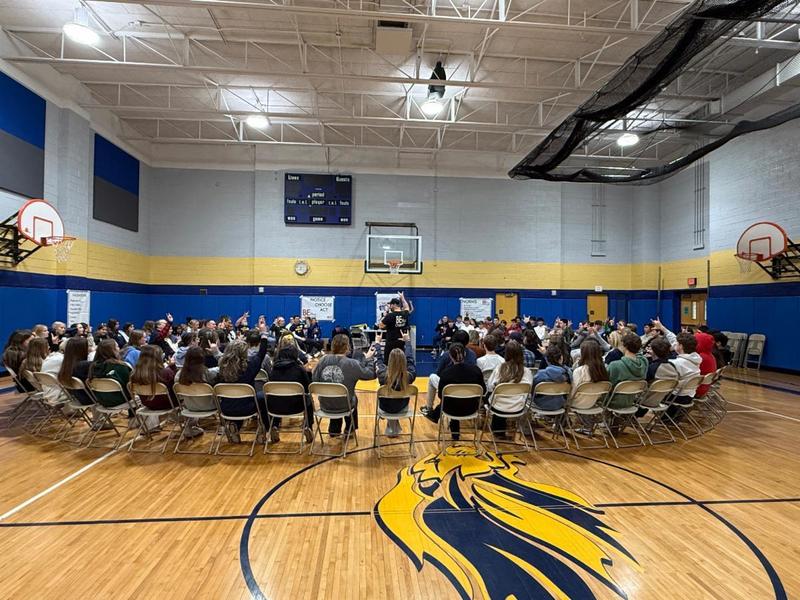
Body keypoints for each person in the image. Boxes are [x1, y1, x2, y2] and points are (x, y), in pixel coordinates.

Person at [216, 321, 271, 442]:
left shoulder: (221, 367)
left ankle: (235, 426)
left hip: (226, 408)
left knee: (236, 399)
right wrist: (264, 334)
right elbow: (262, 353)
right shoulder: (251, 366)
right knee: (262, 397)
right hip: (247, 407)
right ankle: (264, 429)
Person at [312, 333, 376, 436]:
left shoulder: (323, 360)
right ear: (347, 347)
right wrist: (368, 359)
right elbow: (370, 374)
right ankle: (350, 429)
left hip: (325, 405)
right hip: (345, 406)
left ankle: (334, 429)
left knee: (333, 392)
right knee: (352, 397)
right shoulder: (352, 363)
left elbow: (314, 380)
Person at [424, 343, 485, 441]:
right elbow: (483, 390)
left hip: (451, 409)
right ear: (465, 354)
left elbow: (441, 396)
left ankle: (434, 414)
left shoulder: (446, 373)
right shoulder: (476, 370)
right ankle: (443, 421)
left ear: (450, 356)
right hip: (472, 408)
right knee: (457, 400)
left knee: (452, 400)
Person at [265, 343, 314, 443]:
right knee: (308, 399)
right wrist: (309, 374)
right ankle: (308, 427)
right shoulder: (299, 369)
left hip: (275, 408)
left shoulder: (273, 369)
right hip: (296, 406)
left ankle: (274, 426)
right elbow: (307, 389)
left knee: (277, 398)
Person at [486, 340, 533, 438]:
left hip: (498, 407)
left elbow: (490, 386)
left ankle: (498, 431)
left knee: (492, 397)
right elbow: (529, 390)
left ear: (506, 353)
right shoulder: (527, 372)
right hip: (518, 407)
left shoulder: (500, 368)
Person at [424, 329, 477, 413]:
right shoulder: (473, 354)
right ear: (467, 342)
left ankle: (429, 407)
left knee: (432, 377)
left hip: (451, 391)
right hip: (469, 392)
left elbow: (439, 373)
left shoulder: (447, 355)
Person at [375, 331, 416, 437]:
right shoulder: (409, 376)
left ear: (389, 361)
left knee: (388, 395)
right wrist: (407, 341)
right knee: (396, 398)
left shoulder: (383, 375)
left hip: (385, 408)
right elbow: (410, 359)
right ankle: (393, 426)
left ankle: (392, 426)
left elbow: (379, 360)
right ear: (404, 361)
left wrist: (377, 343)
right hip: (402, 407)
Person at [606, 333, 648, 409]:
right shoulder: (644, 362)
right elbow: (640, 355)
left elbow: (606, 386)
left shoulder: (615, 365)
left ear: (624, 345)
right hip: (633, 401)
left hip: (613, 402)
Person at [129, 345, 176, 412]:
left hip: (148, 404)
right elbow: (175, 389)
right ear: (159, 358)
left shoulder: (134, 374)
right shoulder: (166, 372)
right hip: (168, 404)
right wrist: (173, 367)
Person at [531, 345, 572, 411]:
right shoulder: (569, 373)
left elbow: (532, 391)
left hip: (541, 404)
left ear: (547, 360)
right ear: (561, 358)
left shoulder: (540, 374)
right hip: (560, 404)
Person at [378, 291, 414, 362]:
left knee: (388, 361)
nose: (390, 306)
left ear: (394, 305)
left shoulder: (390, 315)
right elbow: (407, 307)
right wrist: (402, 298)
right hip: (402, 341)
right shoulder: (404, 313)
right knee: (400, 360)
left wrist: (385, 315)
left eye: (390, 305)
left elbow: (381, 326)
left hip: (391, 342)